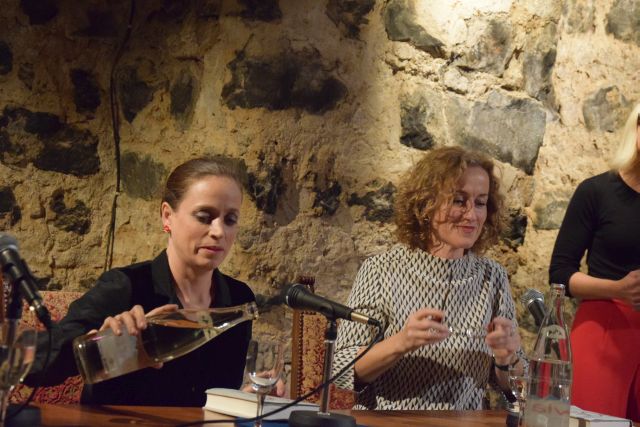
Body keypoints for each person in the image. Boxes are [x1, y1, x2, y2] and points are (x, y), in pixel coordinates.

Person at [24, 156, 256, 406]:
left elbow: (212, 398)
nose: (219, 232)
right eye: (204, 216)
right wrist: (97, 347)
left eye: (230, 219)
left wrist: (248, 398)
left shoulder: (239, 299)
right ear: (167, 216)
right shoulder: (125, 287)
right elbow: (33, 367)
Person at [332, 146, 525, 410]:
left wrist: (506, 359)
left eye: (480, 203)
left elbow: (515, 390)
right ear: (425, 204)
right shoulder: (381, 270)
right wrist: (402, 342)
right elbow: (341, 370)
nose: (472, 215)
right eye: (459, 200)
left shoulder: (493, 276)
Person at [549, 104, 640, 421]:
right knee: (592, 420)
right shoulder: (597, 191)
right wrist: (618, 288)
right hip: (603, 326)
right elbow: (560, 274)